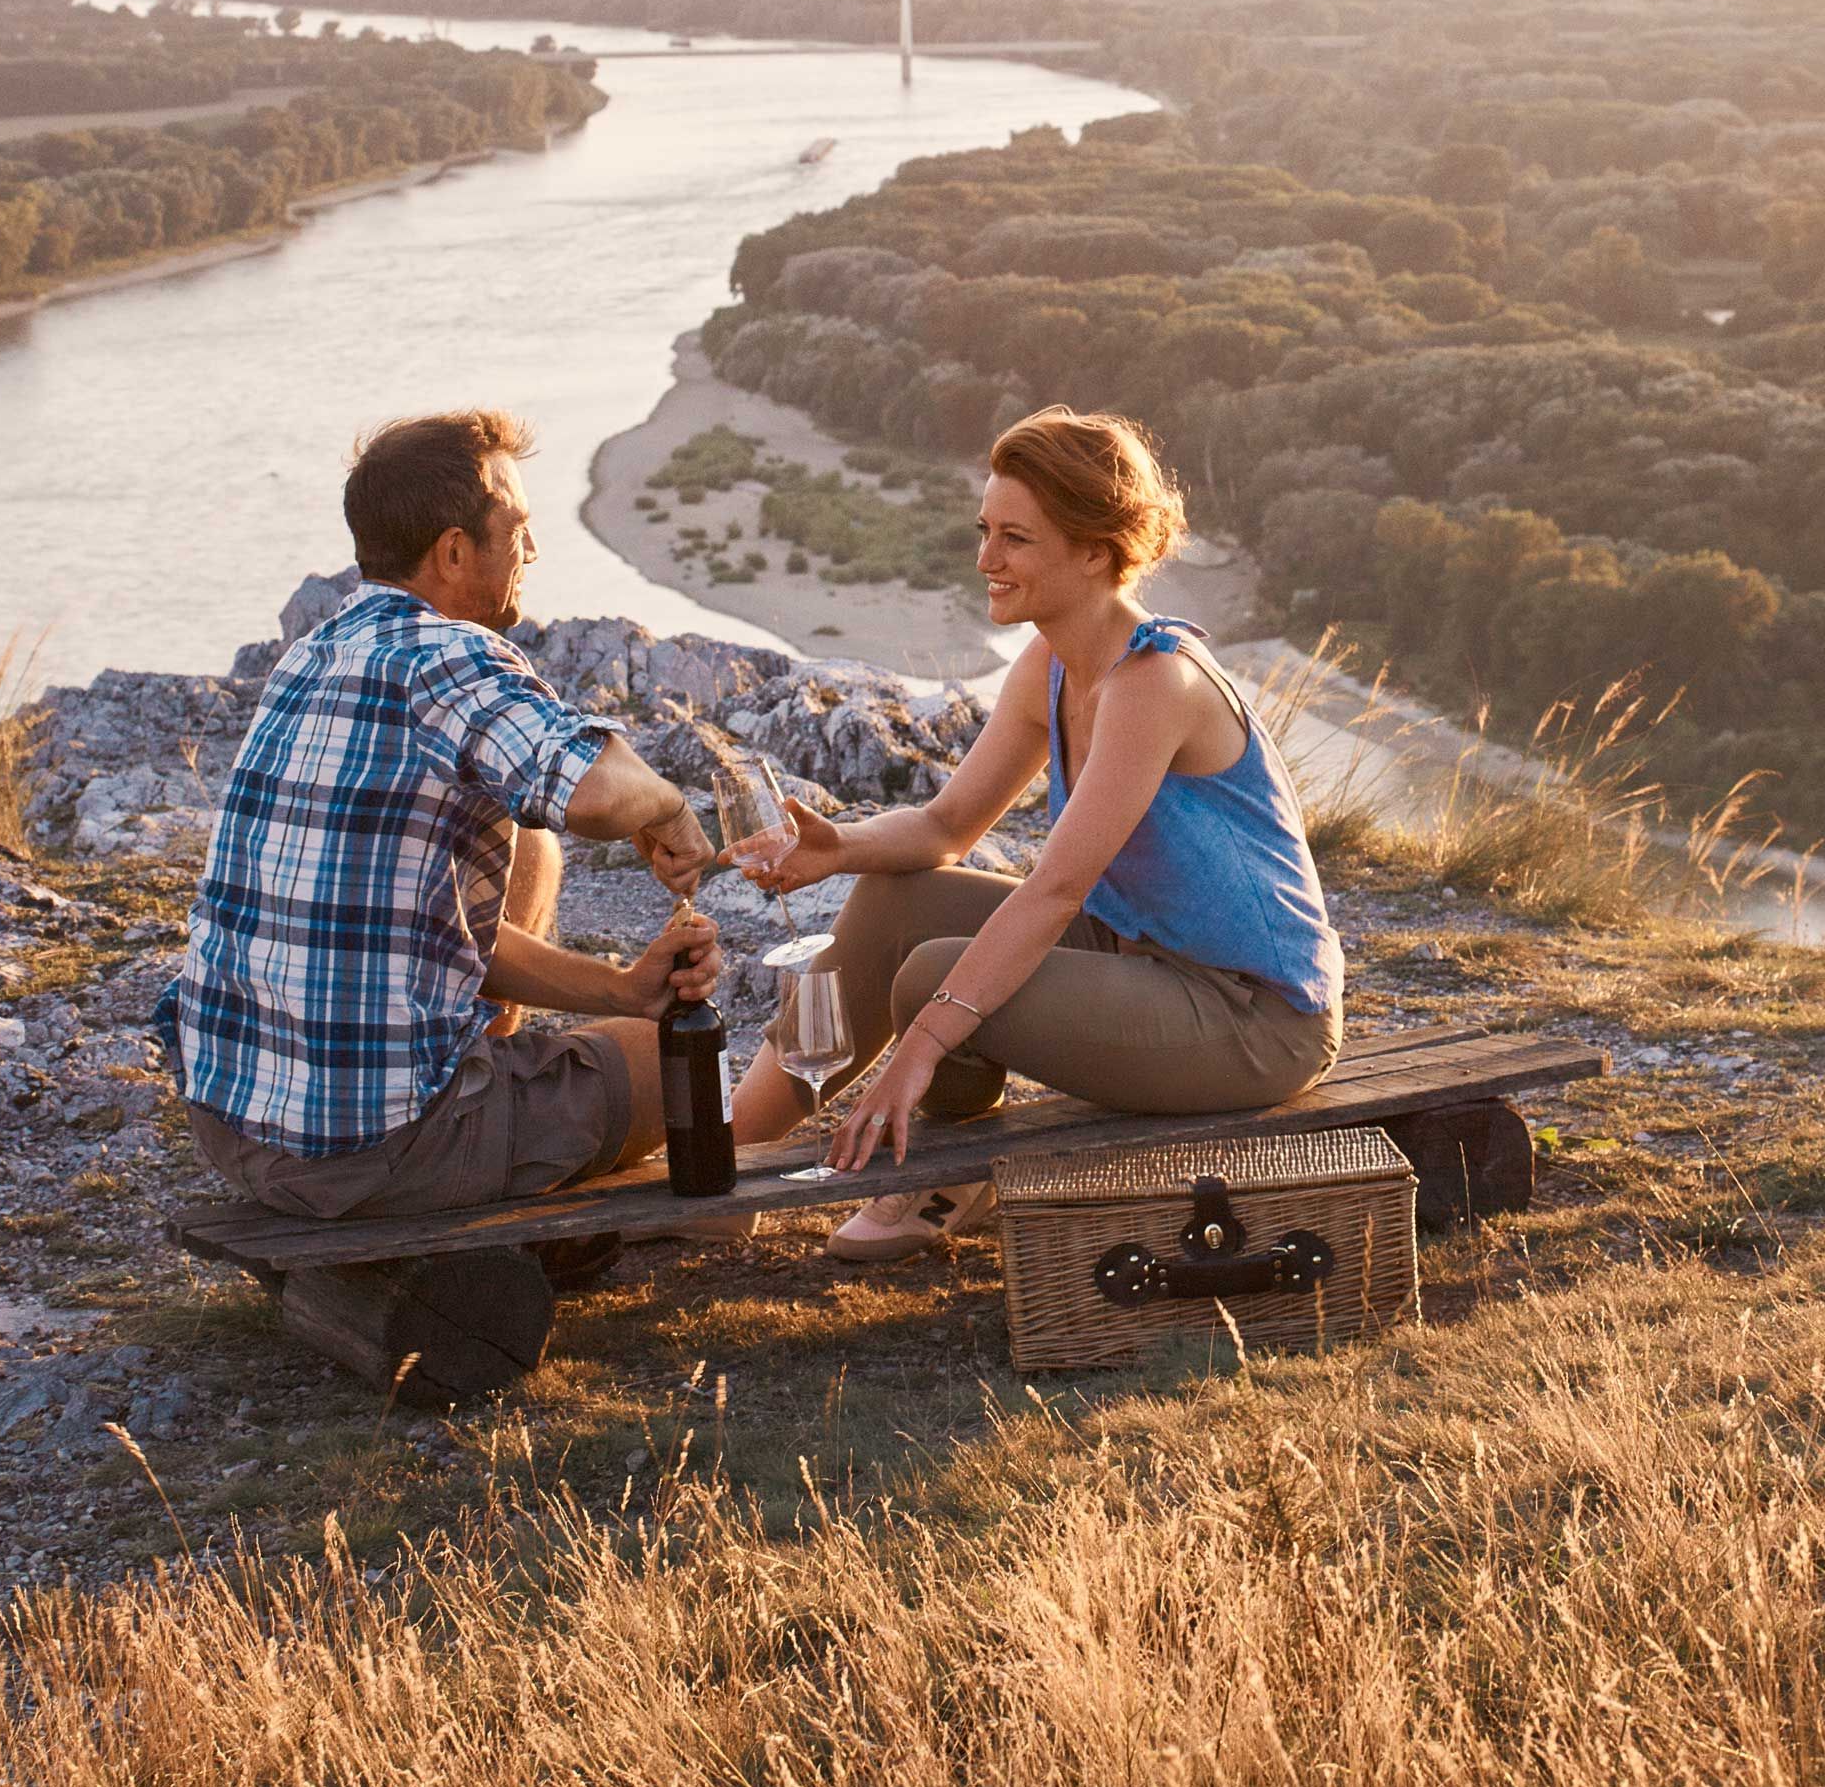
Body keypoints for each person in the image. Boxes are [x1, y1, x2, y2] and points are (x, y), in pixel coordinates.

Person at [730, 405, 1343, 1256]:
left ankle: (953, 1176)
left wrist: (917, 1054)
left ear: (1095, 549)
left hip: (1253, 1019)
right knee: (892, 900)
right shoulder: (1051, 663)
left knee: (934, 981)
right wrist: (838, 848)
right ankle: (729, 1167)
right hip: (1138, 953)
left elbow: (1053, 891)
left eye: (1015, 539)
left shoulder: (1154, 681)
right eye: (986, 531)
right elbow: (946, 825)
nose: (986, 560)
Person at [163, 409, 725, 1247]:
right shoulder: (448, 656)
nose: (532, 554)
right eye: (519, 531)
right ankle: (484, 1152)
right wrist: (672, 807)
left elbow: (409, 928)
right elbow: (595, 793)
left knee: (522, 840)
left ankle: (487, 1079)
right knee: (657, 1062)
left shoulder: (310, 656)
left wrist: (621, 990)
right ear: (455, 552)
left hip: (234, 1133)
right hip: (373, 1152)